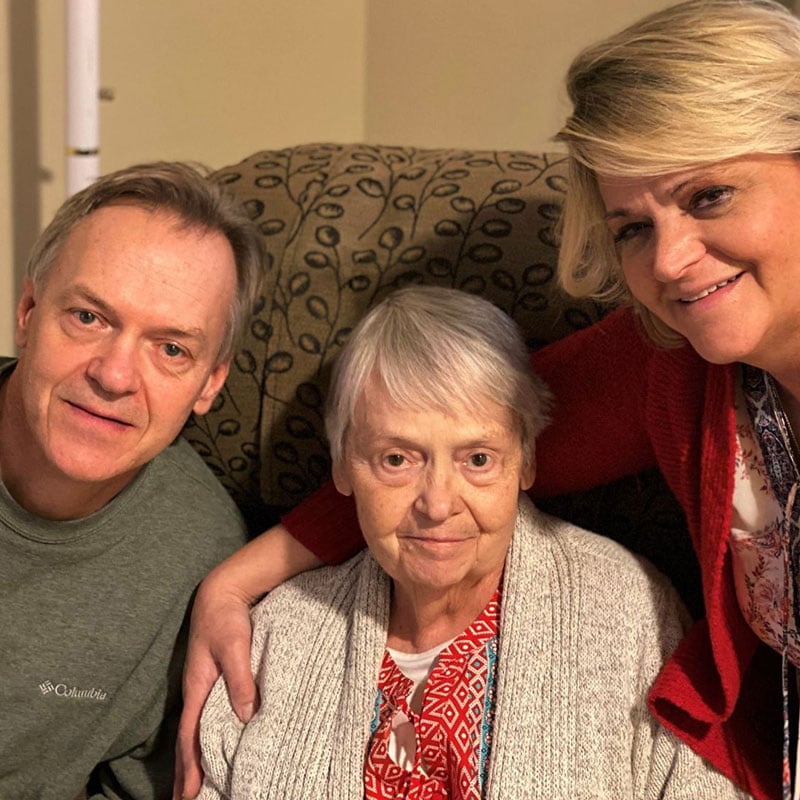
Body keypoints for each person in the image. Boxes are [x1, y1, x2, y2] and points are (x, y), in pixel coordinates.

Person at [174, 1, 798, 798]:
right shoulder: (669, 360)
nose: (670, 260)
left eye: (709, 195)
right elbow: (452, 442)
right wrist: (232, 584)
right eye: (632, 228)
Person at [195, 286, 744, 799]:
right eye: (396, 459)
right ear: (342, 468)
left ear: (526, 460)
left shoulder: (625, 611)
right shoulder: (277, 633)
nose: (437, 504)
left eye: (478, 459)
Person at [0, 161, 265, 800]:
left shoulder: (203, 563)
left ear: (210, 384)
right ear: (29, 312)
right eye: (89, 317)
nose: (115, 376)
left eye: (171, 349)